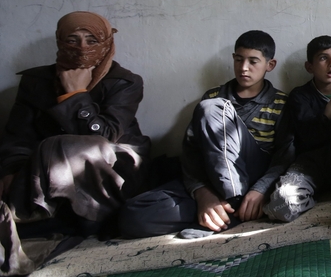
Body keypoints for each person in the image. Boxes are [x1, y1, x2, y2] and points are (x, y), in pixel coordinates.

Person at [0, 11, 150, 277]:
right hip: (43, 173)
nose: (82, 48)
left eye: (92, 40)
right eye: (73, 40)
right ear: (59, 42)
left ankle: (26, 214)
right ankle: (39, 216)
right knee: (51, 149)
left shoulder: (125, 82)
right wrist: (11, 169)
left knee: (65, 146)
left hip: (113, 168)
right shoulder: (36, 82)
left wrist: (75, 95)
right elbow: (18, 136)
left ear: (106, 43)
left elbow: (106, 135)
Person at [119, 30, 292, 238]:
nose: (244, 68)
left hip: (255, 175)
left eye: (253, 61)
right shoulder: (212, 96)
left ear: (270, 65)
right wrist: (202, 193)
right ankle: (226, 210)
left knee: (213, 108)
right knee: (132, 215)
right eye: (239, 59)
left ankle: (234, 200)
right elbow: (191, 153)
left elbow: (285, 157)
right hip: (211, 177)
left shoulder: (281, 102)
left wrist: (260, 190)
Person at [263, 36, 331, 222]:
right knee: (281, 204)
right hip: (313, 164)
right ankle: (320, 194)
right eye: (323, 58)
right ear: (309, 67)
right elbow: (311, 137)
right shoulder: (300, 96)